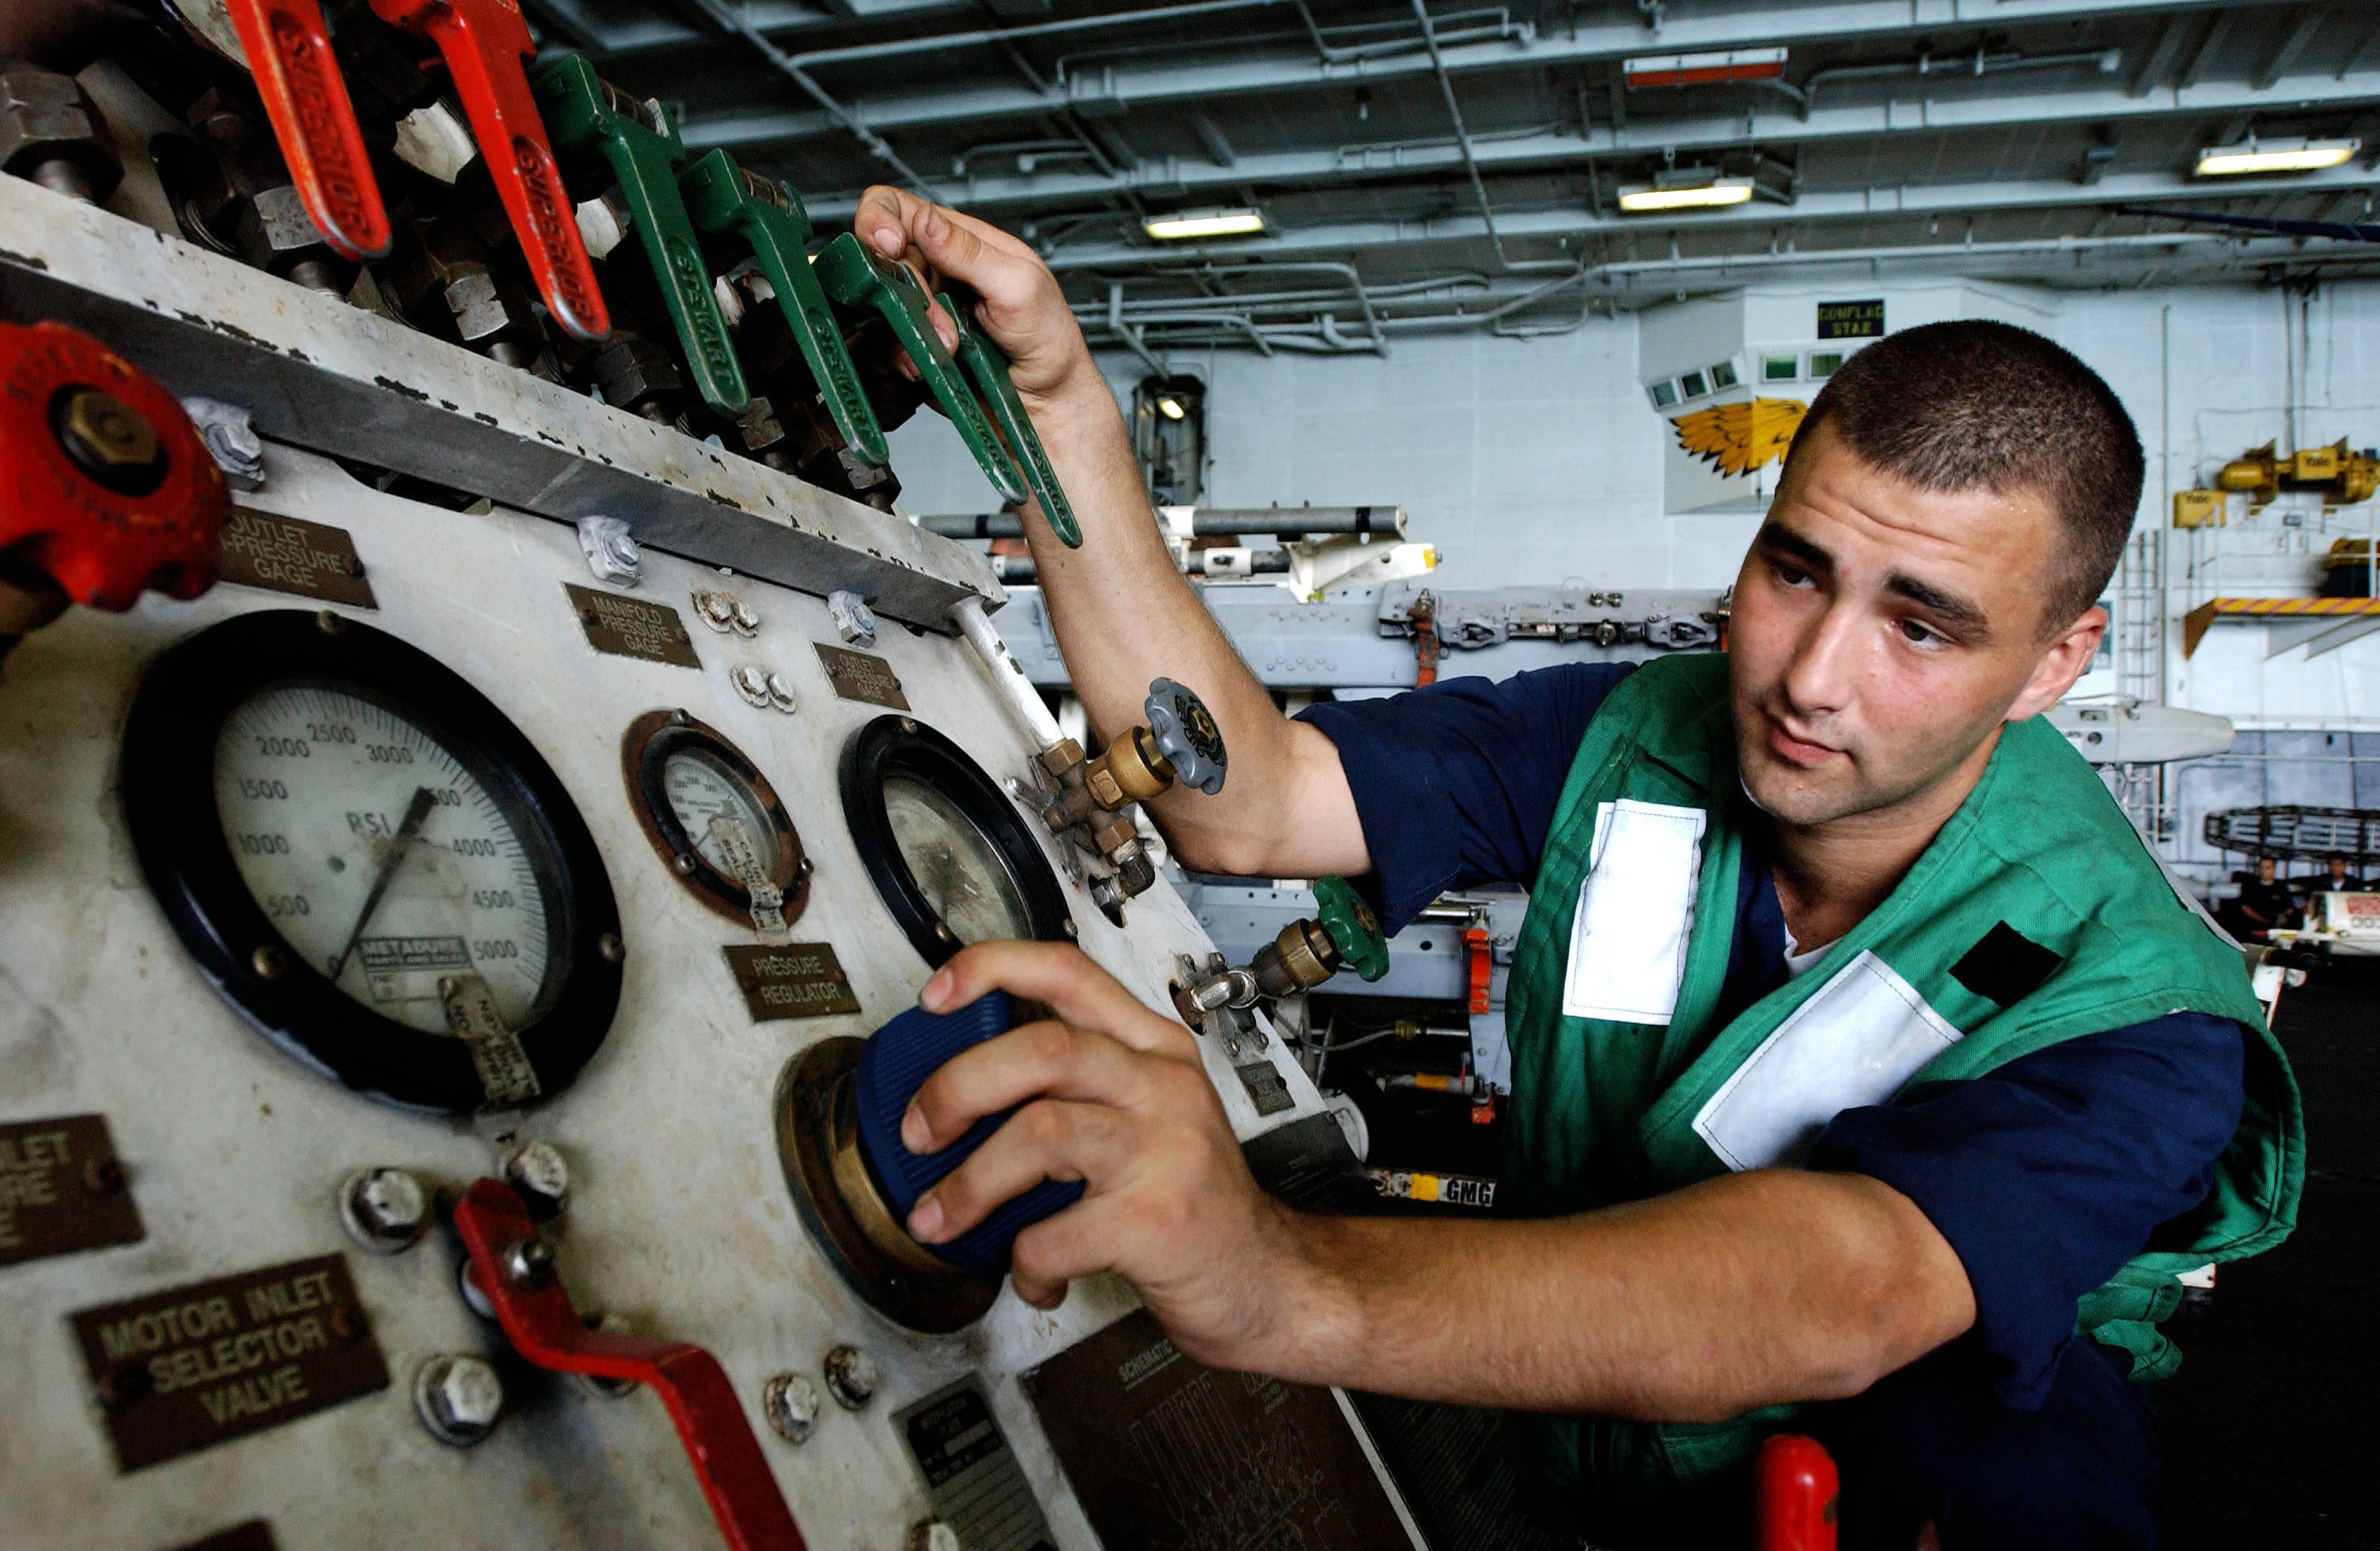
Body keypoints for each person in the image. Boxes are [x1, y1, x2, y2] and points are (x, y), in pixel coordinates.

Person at [848, 189, 2302, 1550]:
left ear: (2054, 663)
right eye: (1794, 571)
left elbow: (1845, 1287)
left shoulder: (2143, 1010)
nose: (1807, 678)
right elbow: (1246, 798)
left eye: (1919, 627)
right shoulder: (1635, 741)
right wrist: (1062, 418)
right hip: (1560, 1464)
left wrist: (1280, 1277)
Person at [2226, 855, 2299, 939]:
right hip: (2253, 929)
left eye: (2268, 868)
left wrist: (2283, 920)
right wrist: (2264, 921)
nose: (2264, 871)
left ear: (2273, 869)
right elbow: (2244, 907)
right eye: (2261, 868)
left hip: (2276, 930)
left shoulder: (2281, 886)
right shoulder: (2250, 885)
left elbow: (2289, 908)